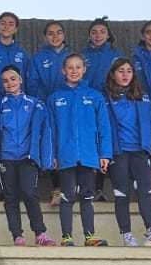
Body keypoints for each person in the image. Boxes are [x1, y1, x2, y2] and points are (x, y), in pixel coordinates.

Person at [102, 58, 151, 247]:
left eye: (129, 71)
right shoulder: (104, 98)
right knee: (121, 194)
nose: (125, 75)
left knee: (146, 191)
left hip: (141, 151)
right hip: (118, 152)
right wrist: (104, 154)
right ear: (113, 74)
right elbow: (100, 128)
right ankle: (127, 235)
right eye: (121, 71)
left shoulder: (143, 97)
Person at [0, 66, 54, 246]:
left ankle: (40, 233)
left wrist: (46, 157)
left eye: (13, 79)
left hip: (27, 157)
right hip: (6, 158)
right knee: (10, 196)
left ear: (21, 80)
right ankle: (17, 236)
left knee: (30, 193)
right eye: (5, 80)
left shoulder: (35, 104)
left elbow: (45, 133)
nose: (9, 83)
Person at [47, 52, 111, 246]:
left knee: (87, 195)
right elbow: (50, 130)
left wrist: (105, 154)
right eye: (70, 67)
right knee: (66, 196)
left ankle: (89, 236)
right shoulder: (55, 98)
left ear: (84, 70)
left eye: (78, 67)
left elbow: (104, 128)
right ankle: (67, 237)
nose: (74, 71)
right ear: (63, 71)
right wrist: (52, 155)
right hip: (65, 155)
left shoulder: (94, 96)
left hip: (89, 154)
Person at [26, 21, 70, 100]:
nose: (55, 36)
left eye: (59, 33)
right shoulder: (37, 58)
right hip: (46, 105)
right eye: (50, 34)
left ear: (64, 35)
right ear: (45, 37)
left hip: (68, 105)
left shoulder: (72, 57)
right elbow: (32, 85)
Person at [81, 18, 123, 90]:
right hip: (88, 97)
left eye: (102, 32)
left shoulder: (117, 55)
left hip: (111, 97)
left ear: (108, 35)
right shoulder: (82, 55)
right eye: (94, 33)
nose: (98, 35)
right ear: (89, 36)